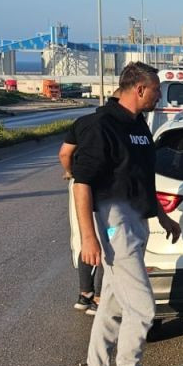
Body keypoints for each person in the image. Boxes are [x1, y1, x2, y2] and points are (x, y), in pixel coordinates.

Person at [71, 62, 181, 366]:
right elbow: (82, 182)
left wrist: (162, 215)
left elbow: (140, 178)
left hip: (136, 222)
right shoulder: (101, 125)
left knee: (114, 308)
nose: (159, 95)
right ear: (139, 89)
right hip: (113, 224)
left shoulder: (138, 126)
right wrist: (89, 236)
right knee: (143, 309)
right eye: (156, 90)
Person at [59, 115, 102, 315]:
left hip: (77, 185)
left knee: (83, 238)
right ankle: (99, 297)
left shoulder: (82, 122)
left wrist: (69, 172)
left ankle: (85, 293)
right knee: (106, 238)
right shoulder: (120, 124)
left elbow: (64, 154)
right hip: (104, 188)